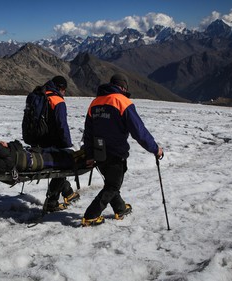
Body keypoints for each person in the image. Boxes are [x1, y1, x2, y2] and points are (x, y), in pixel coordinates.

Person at [81, 74, 164, 227]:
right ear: (123, 87)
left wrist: (89, 153)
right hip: (115, 152)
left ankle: (120, 208)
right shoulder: (122, 101)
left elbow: (88, 132)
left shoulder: (95, 102)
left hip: (99, 151)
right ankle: (90, 215)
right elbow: (139, 131)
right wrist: (155, 149)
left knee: (111, 182)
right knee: (113, 185)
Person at [32, 76, 80, 212]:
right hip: (51, 143)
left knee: (60, 166)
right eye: (64, 89)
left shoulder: (39, 95)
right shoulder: (57, 100)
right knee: (63, 165)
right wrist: (68, 144)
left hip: (37, 141)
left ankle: (68, 192)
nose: (64, 92)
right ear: (60, 88)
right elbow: (62, 125)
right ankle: (52, 202)